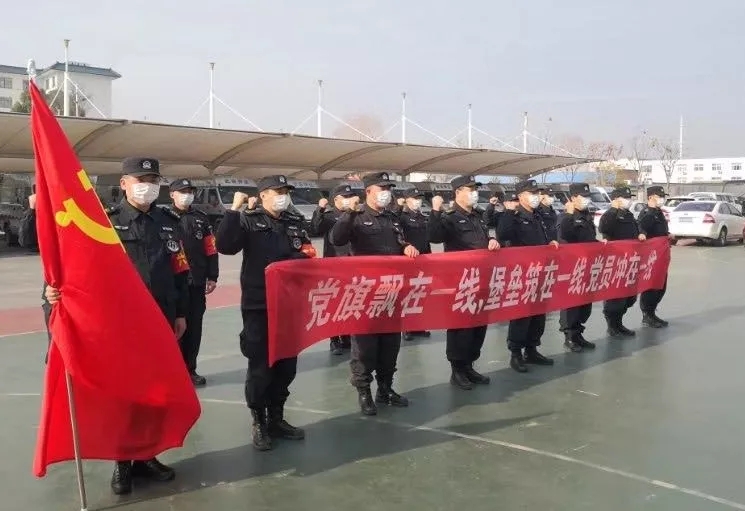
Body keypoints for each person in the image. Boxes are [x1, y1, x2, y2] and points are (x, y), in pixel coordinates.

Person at [43, 157, 190, 495]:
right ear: (124, 183)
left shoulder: (168, 223)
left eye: (153, 179)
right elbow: (77, 267)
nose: (147, 186)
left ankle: (148, 455)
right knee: (126, 395)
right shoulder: (103, 222)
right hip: (122, 325)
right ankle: (123, 462)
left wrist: (181, 313)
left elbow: (180, 272)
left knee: (156, 392)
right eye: (140, 179)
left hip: (162, 320)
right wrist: (52, 292)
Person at [215, 174, 315, 451]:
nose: (283, 196)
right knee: (260, 366)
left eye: (285, 191)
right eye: (277, 191)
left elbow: (308, 253)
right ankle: (259, 420)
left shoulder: (294, 221)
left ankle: (276, 418)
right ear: (263, 195)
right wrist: (233, 211)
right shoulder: (248, 220)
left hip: (290, 303)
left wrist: (298, 259)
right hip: (259, 304)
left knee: (286, 365)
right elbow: (225, 246)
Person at [330, 171, 419, 416]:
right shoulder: (356, 217)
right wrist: (349, 214)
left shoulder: (392, 218)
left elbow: (399, 243)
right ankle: (364, 392)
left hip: (391, 292)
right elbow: (337, 239)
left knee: (390, 345)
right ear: (368, 191)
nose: (386, 193)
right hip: (366, 294)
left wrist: (407, 247)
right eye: (382, 189)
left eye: (388, 189)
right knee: (364, 347)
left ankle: (385, 389)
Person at [428, 175, 500, 389]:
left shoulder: (478, 216)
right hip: (461, 282)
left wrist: (492, 240)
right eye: (470, 189)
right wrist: (435, 211)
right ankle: (457, 370)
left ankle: (469, 366)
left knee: (479, 325)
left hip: (482, 279)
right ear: (458, 192)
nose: (474, 193)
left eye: (475, 189)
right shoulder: (449, 217)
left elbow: (483, 239)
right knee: (461, 327)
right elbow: (434, 236)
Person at [497, 179, 559, 373]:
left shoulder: (538, 215)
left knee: (538, 313)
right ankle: (516, 353)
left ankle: (532, 349)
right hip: (522, 274)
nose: (536, 197)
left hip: (540, 272)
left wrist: (551, 243)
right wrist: (508, 212)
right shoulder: (513, 216)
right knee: (522, 314)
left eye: (537, 193)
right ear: (521, 196)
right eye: (532, 193)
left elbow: (545, 236)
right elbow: (503, 234)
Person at [166, 179, 220, 386]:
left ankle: (190, 369)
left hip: (196, 282)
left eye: (190, 191)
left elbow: (211, 249)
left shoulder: (201, 219)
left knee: (194, 328)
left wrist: (212, 276)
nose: (187, 195)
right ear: (172, 194)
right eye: (182, 191)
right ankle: (173, 371)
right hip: (172, 283)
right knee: (172, 327)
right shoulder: (163, 217)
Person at [310, 183, 356, 355]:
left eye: (350, 196)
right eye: (346, 197)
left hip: (352, 265)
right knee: (334, 304)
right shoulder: (329, 216)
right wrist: (319, 210)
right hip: (334, 267)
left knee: (349, 302)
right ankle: (334, 339)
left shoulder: (355, 215)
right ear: (336, 199)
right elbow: (315, 229)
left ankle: (347, 336)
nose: (349, 199)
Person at [557, 183, 602, 352]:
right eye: (583, 196)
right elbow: (564, 235)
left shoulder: (586, 215)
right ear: (573, 198)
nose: (586, 200)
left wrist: (599, 244)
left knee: (584, 302)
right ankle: (569, 336)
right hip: (572, 267)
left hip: (588, 265)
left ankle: (578, 334)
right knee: (572, 302)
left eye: (587, 196)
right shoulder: (565, 216)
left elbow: (588, 238)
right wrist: (569, 214)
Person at [598, 186, 646, 337]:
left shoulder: (628, 215)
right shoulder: (609, 215)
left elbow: (637, 229)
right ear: (616, 199)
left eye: (629, 198)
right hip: (616, 262)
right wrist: (614, 210)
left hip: (630, 262)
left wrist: (641, 234)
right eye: (625, 198)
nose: (628, 201)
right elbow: (604, 228)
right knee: (615, 297)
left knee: (629, 297)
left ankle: (619, 323)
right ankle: (612, 325)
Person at [396, 187, 433, 342]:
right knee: (407, 294)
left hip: (422, 259)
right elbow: (394, 222)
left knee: (420, 293)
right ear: (407, 200)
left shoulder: (422, 217)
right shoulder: (402, 217)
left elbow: (427, 238)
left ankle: (418, 326)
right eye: (415, 198)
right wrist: (398, 206)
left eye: (419, 198)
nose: (418, 201)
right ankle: (407, 328)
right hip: (408, 260)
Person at [637, 185, 670, 328]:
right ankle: (647, 315)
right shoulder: (646, 212)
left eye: (663, 196)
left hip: (661, 256)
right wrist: (650, 210)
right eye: (659, 196)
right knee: (651, 286)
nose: (662, 199)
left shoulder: (659, 212)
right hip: (651, 256)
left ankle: (652, 313)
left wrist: (668, 235)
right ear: (651, 197)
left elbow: (660, 230)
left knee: (661, 286)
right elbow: (642, 228)